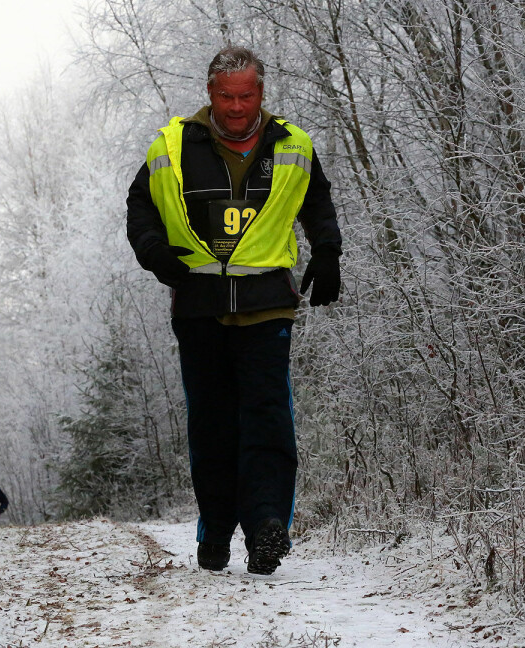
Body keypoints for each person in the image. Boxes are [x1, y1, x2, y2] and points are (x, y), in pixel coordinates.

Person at [126, 46, 342, 575]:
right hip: (198, 306)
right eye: (227, 96)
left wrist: (329, 251)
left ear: (261, 94)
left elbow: (317, 203)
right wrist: (154, 253)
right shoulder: (172, 146)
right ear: (210, 94)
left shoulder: (292, 145)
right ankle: (216, 530)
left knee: (267, 417)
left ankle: (268, 526)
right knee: (213, 425)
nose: (237, 106)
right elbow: (140, 207)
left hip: (267, 305)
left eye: (247, 95)